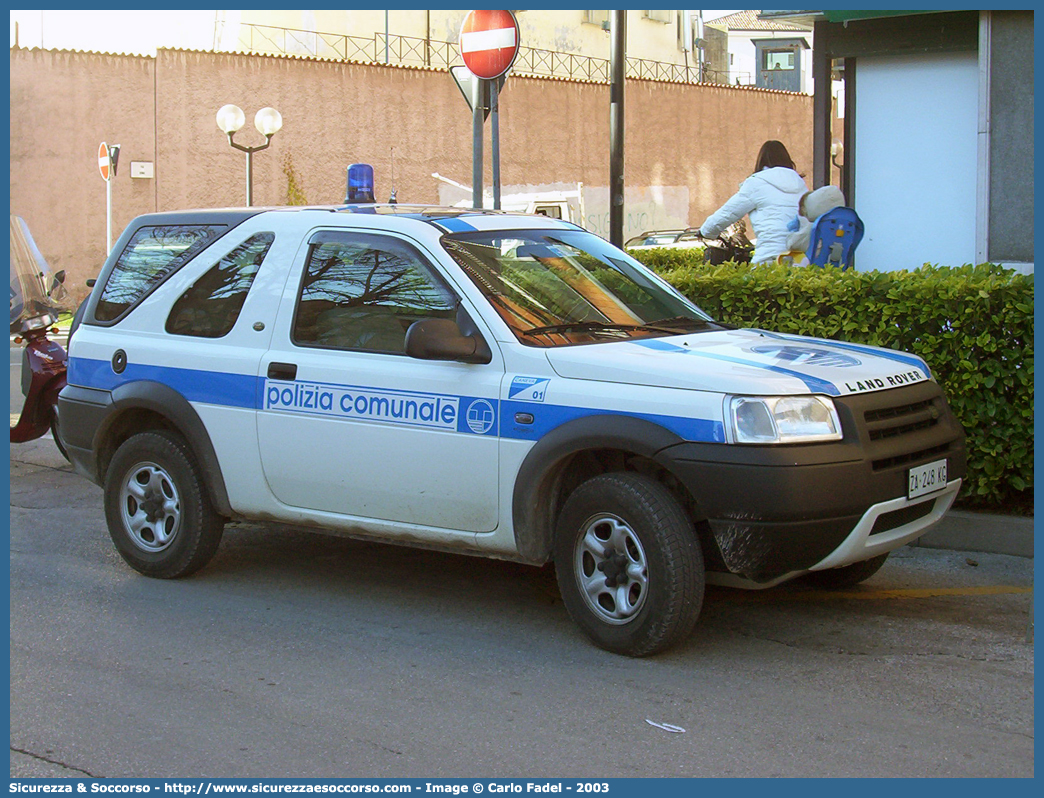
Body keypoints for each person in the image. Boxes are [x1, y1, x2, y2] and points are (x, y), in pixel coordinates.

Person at [699, 140, 807, 264]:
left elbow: (728, 212)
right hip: (800, 256)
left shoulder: (756, 183)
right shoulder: (800, 185)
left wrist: (706, 231)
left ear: (761, 160)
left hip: (771, 256)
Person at [785, 184, 846, 255]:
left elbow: (793, 244)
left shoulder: (814, 227)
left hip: (815, 264)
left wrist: (793, 232)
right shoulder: (847, 225)